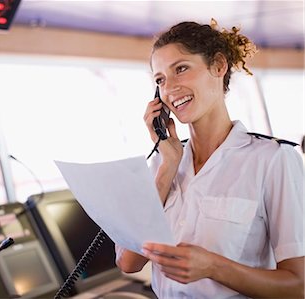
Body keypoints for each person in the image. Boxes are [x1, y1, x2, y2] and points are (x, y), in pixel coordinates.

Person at [115, 19, 304, 298]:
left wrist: (214, 267)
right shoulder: (161, 162)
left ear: (218, 66)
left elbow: (299, 286)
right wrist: (167, 166)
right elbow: (128, 262)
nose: (169, 89)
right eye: (160, 80)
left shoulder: (274, 160)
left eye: (181, 69)